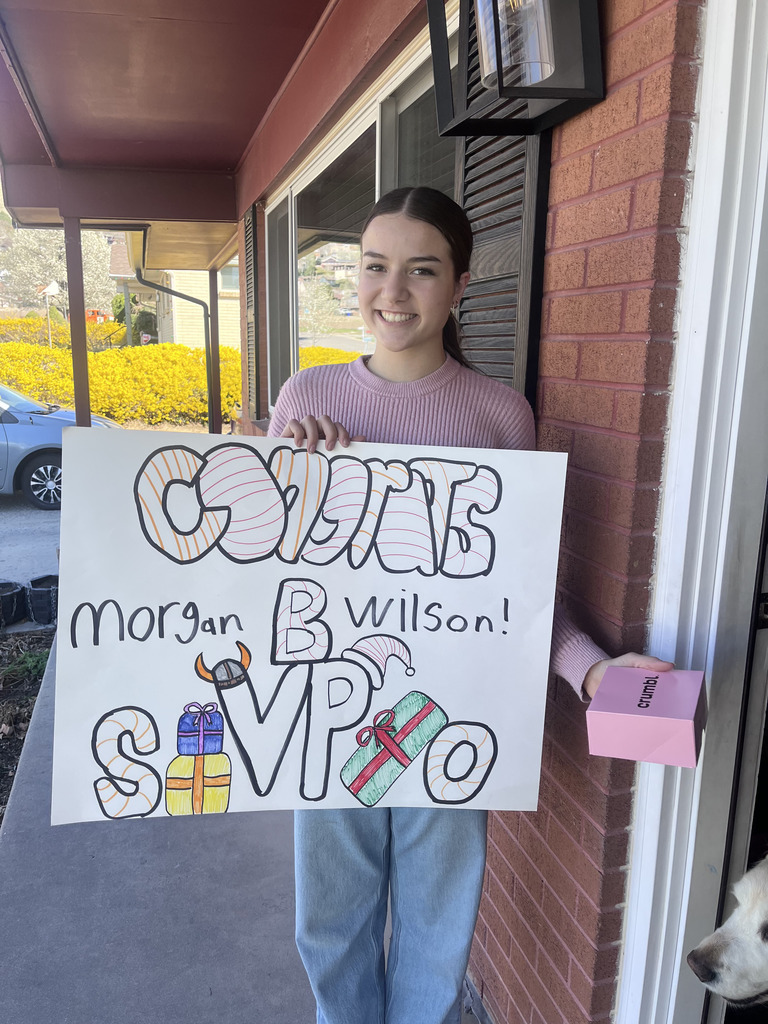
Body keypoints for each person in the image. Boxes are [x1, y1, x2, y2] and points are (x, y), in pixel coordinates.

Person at [268, 186, 672, 1024]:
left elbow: (525, 596)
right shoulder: (306, 397)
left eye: (422, 270)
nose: (393, 292)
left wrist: (594, 673)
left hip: (451, 712)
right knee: (330, 921)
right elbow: (270, 572)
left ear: (459, 288)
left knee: (437, 925)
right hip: (331, 704)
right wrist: (291, 476)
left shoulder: (499, 416)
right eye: (376, 267)